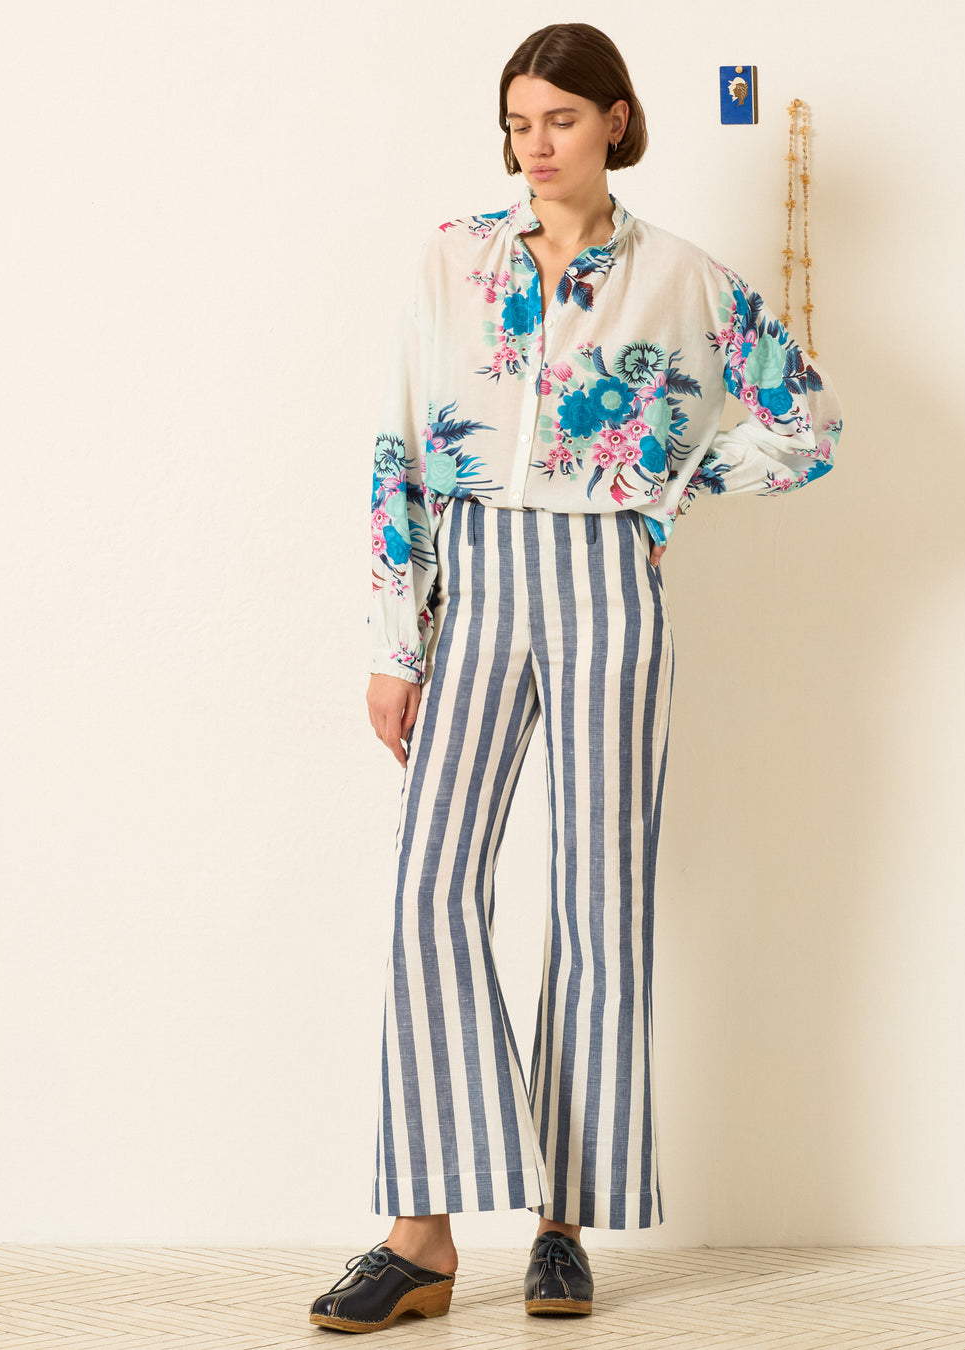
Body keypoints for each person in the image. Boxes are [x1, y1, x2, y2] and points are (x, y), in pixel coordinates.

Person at [310, 20, 842, 1334]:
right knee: (429, 886)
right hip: (476, 581)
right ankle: (422, 1236)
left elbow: (809, 424)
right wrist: (395, 643)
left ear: (616, 120)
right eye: (518, 123)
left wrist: (665, 485)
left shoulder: (682, 278)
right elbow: (398, 453)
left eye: (559, 119)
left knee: (601, 900)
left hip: (610, 583)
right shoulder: (453, 258)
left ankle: (564, 1224)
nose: (535, 145)